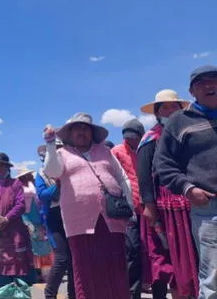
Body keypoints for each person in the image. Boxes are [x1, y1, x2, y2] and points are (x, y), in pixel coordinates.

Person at [44, 113, 133, 299]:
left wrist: (130, 206)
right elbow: (52, 171)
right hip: (79, 222)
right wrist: (51, 144)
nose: (82, 132)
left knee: (115, 265)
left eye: (86, 128)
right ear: (69, 133)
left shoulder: (105, 152)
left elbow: (122, 177)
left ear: (92, 133)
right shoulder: (61, 154)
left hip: (112, 218)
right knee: (85, 268)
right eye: (77, 128)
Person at [155, 66, 217, 299]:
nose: (210, 86)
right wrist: (188, 189)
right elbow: (163, 166)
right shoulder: (179, 122)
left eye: (214, 80)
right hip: (209, 209)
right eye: (202, 83)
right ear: (192, 91)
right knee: (213, 279)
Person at [138, 89, 199, 299]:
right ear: (157, 112)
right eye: (165, 107)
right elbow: (144, 176)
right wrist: (149, 206)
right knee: (177, 257)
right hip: (168, 206)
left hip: (194, 199)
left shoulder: (189, 133)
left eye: (174, 106)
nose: (170, 110)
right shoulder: (150, 139)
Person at [0, 154, 34, 297]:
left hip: (13, 230)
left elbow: (20, 204)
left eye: (1, 165)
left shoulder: (15, 184)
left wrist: (7, 218)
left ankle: (17, 294)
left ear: (7, 167)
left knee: (16, 266)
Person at [111, 119, 147, 299]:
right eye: (128, 137)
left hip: (148, 209)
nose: (131, 140)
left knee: (146, 251)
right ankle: (132, 293)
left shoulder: (145, 149)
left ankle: (147, 287)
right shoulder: (116, 152)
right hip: (128, 212)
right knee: (132, 251)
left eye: (134, 137)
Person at [36, 139, 76, 299]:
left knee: (74, 258)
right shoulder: (41, 174)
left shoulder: (71, 168)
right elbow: (42, 195)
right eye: (56, 149)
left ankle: (74, 294)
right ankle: (50, 293)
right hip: (55, 215)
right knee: (62, 257)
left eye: (61, 148)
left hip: (73, 214)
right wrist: (57, 185)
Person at [15, 167, 52, 282]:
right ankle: (39, 273)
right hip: (28, 216)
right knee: (36, 246)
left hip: (37, 215)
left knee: (42, 244)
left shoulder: (31, 185)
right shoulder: (21, 188)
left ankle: (43, 272)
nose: (31, 176)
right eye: (28, 175)